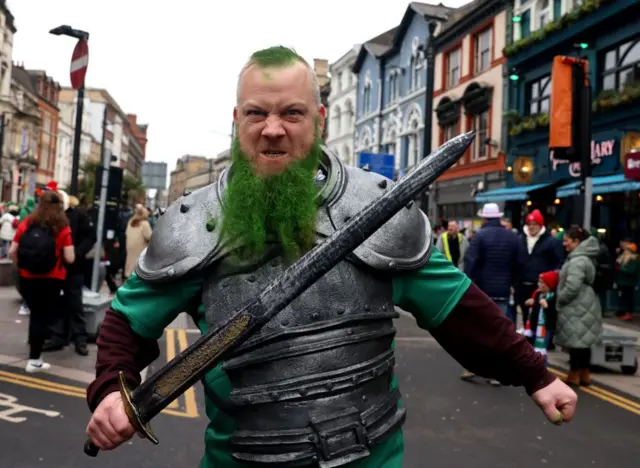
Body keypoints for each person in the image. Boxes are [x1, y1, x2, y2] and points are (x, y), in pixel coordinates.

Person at [85, 46, 577, 468]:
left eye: (292, 113)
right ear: (237, 122)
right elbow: (128, 321)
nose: (273, 129)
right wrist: (111, 388)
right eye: (257, 113)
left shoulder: (376, 210)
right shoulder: (196, 222)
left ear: (318, 121)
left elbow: (460, 311)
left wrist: (535, 375)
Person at [9, 190, 75, 372]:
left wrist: (22, 267)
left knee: (35, 315)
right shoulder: (62, 226)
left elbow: (12, 251)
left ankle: (35, 353)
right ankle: (34, 360)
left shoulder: (27, 223)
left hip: (28, 278)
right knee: (42, 317)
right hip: (51, 278)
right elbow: (70, 257)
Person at [462, 202, 519, 385]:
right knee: (499, 331)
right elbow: (519, 263)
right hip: (503, 290)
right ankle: (497, 373)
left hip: (483, 291)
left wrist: (468, 287)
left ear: (485, 218)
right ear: (499, 217)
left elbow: (471, 262)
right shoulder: (512, 237)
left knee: (479, 329)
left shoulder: (479, 237)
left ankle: (474, 368)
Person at [44, 190, 96, 355]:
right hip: (55, 268)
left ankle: (80, 338)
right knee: (56, 303)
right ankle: (58, 336)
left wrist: (78, 253)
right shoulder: (50, 217)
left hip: (74, 268)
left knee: (75, 304)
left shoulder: (78, 215)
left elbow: (90, 236)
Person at [556, 226, 603, 387]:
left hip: (577, 306)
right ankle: (584, 374)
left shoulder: (577, 260)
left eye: (567, 240)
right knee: (583, 341)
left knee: (575, 340)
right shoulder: (585, 257)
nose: (565, 244)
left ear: (577, 241)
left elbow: (572, 286)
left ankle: (574, 374)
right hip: (587, 303)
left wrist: (561, 298)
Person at [516, 209, 564, 326]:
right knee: (526, 317)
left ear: (540, 225)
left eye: (535, 224)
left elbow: (558, 263)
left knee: (540, 319)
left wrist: (550, 282)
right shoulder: (519, 240)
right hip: (522, 286)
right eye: (529, 224)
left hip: (541, 287)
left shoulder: (551, 242)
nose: (532, 227)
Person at [524, 271, 559, 358]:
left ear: (548, 284)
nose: (539, 284)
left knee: (541, 351)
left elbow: (552, 314)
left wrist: (546, 306)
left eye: (542, 282)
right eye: (539, 282)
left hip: (545, 328)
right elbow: (535, 309)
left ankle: (543, 368)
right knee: (532, 350)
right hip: (534, 326)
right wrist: (530, 303)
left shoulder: (552, 297)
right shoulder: (537, 294)